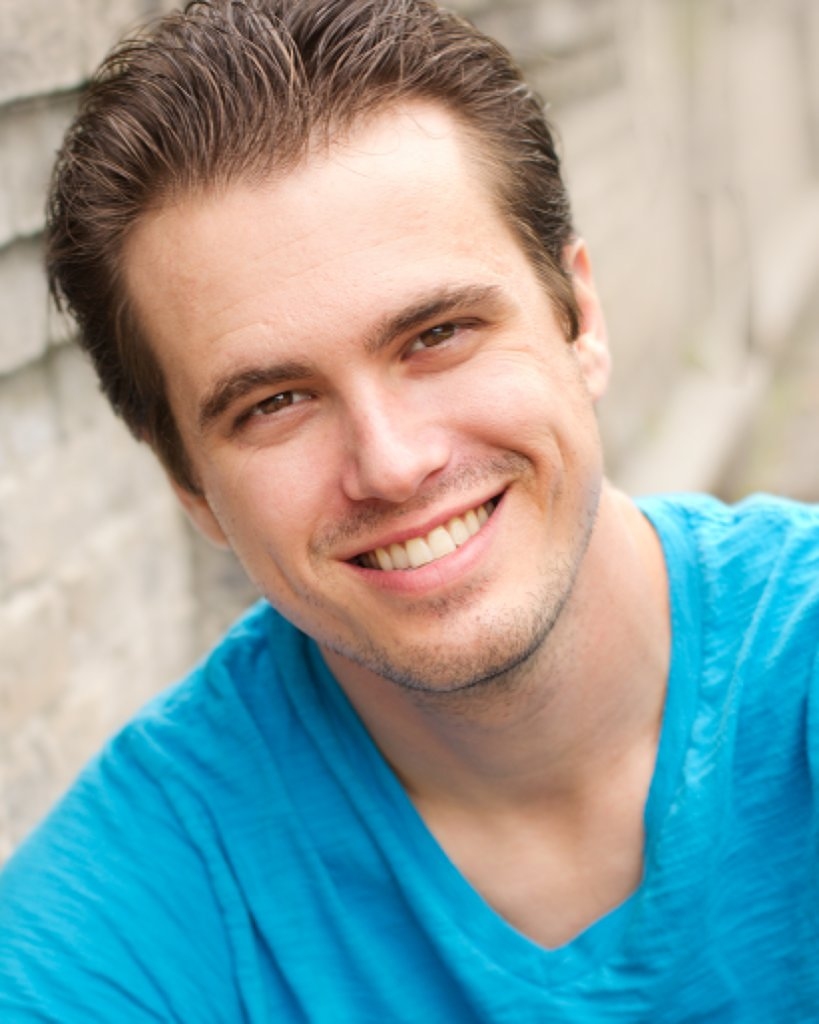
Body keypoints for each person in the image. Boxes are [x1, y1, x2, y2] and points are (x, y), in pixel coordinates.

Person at [1, 0, 817, 1019]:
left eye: (436, 335)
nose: (391, 464)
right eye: (275, 403)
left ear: (579, 320)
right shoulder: (118, 930)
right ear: (188, 485)